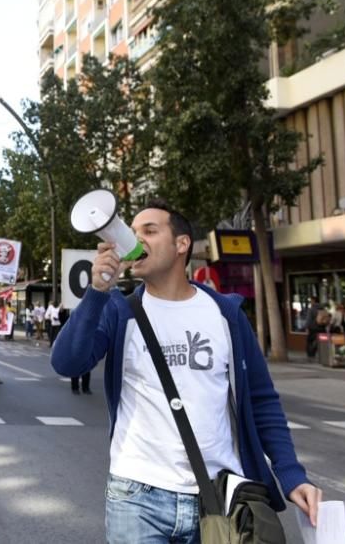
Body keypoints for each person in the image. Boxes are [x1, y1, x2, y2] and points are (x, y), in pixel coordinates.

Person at [51, 199, 321, 542]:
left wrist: (292, 474)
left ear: (182, 245)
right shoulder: (119, 311)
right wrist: (97, 292)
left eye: (150, 231)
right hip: (137, 499)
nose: (135, 240)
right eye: (131, 232)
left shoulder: (226, 315)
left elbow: (262, 400)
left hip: (218, 498)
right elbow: (66, 363)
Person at [303, 295, 323, 360]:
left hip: (312, 328)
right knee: (318, 341)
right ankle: (318, 352)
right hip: (321, 327)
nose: (310, 302)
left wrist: (306, 327)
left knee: (310, 341)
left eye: (311, 301)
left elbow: (308, 319)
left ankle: (311, 354)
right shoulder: (322, 308)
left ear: (313, 301)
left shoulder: (311, 309)